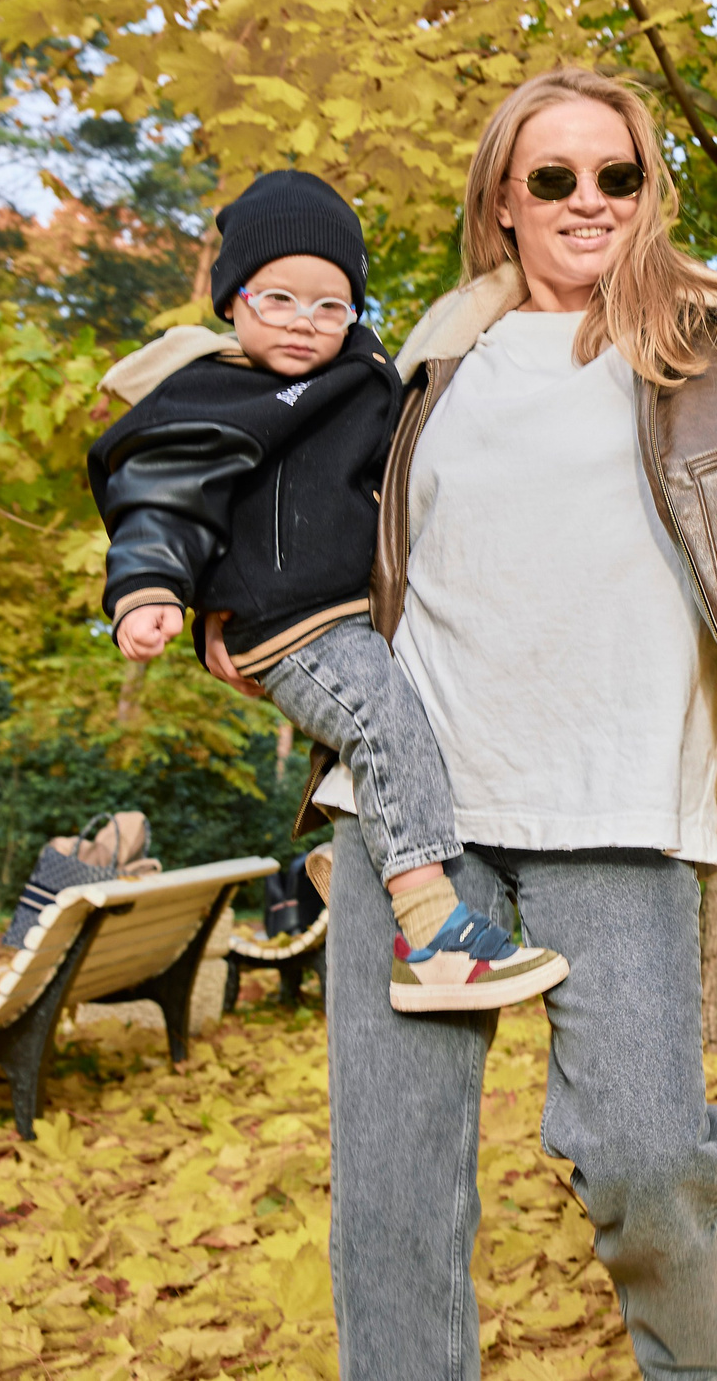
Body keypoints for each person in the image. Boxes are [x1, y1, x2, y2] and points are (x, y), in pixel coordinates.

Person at [208, 68, 717, 1380]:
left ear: (650, 191)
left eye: (618, 174)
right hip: (413, 811)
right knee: (396, 1188)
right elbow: (277, 498)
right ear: (504, 202)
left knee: (649, 1149)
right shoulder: (412, 365)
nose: (588, 199)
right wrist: (232, 607)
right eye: (554, 178)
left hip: (621, 801)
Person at [89, 170, 567, 1013]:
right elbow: (161, 495)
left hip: (356, 613)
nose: (304, 325)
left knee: (421, 725)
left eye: (329, 306)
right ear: (232, 300)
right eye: (278, 299)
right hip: (287, 621)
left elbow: (434, 348)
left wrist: (509, 279)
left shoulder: (360, 371)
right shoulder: (211, 393)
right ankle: (435, 935)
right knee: (383, 720)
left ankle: (359, 869)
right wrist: (152, 591)